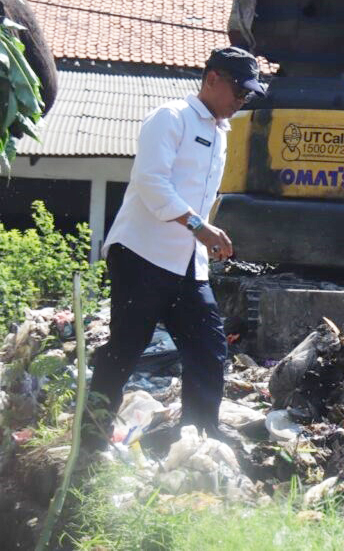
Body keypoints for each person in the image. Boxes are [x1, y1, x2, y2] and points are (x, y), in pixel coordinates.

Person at [83, 46, 265, 448]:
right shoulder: (171, 117)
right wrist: (200, 227)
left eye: (248, 94)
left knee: (209, 348)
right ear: (212, 79)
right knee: (126, 348)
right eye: (239, 90)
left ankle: (199, 438)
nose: (242, 100)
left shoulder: (220, 133)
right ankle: (91, 440)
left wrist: (202, 236)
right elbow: (152, 183)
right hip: (141, 255)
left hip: (186, 263)